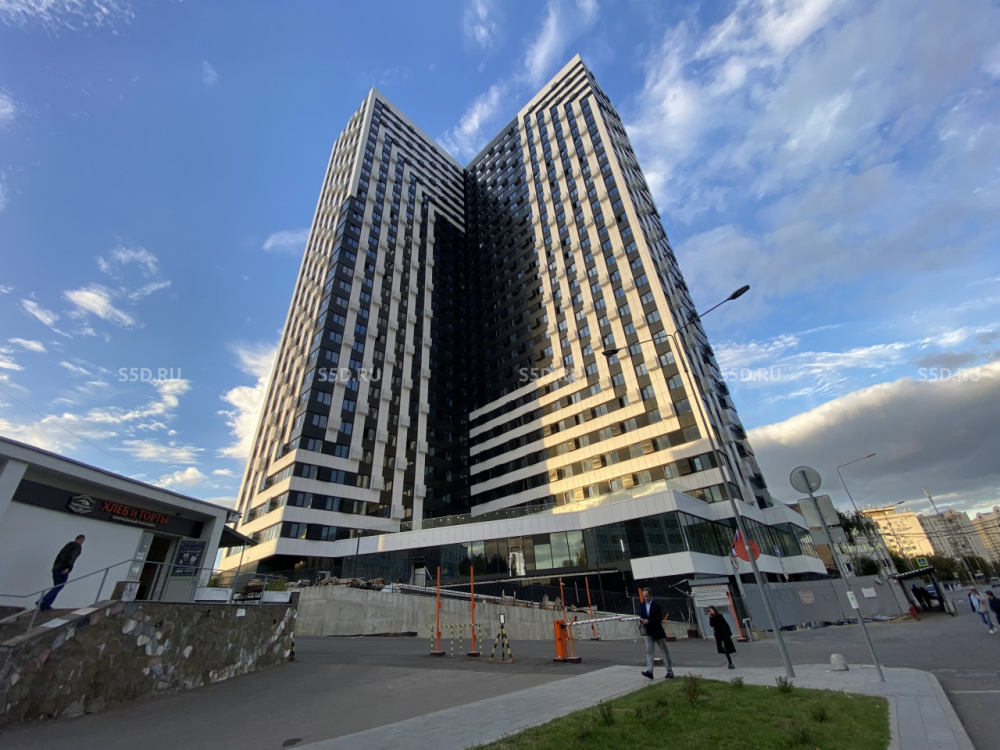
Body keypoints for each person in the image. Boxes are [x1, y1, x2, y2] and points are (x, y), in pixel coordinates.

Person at [38, 535, 85, 611]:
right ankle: (43, 601)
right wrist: (68, 567)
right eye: (83, 540)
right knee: (59, 586)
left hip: (56, 568)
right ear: (81, 540)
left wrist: (55, 567)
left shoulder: (67, 546)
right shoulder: (77, 547)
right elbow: (72, 557)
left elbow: (59, 557)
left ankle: (45, 604)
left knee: (56, 587)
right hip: (63, 568)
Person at [638, 587, 673, 680]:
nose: (645, 598)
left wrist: (649, 621)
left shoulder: (656, 605)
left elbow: (659, 618)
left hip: (657, 631)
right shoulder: (642, 605)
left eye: (646, 596)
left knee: (664, 651)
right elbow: (641, 615)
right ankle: (649, 671)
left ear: (650, 596)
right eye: (644, 596)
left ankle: (669, 671)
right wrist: (642, 620)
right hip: (648, 632)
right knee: (649, 651)